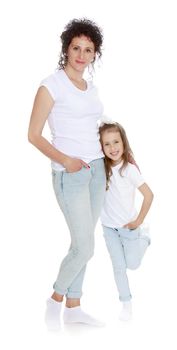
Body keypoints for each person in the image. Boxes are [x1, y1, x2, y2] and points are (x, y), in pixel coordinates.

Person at [28, 18, 106, 329]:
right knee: (85, 245)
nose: (81, 54)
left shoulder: (91, 88)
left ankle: (74, 307)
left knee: (81, 242)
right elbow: (34, 135)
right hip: (69, 173)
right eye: (76, 47)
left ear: (94, 55)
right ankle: (55, 299)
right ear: (66, 48)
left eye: (88, 50)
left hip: (98, 170)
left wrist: (115, 153)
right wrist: (67, 160)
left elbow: (90, 127)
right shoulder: (51, 85)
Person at [99, 122, 154, 321]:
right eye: (107, 144)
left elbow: (149, 195)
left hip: (129, 227)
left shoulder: (129, 169)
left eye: (116, 142)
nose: (112, 148)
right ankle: (126, 303)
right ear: (101, 147)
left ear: (123, 143)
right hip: (109, 227)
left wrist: (138, 221)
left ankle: (145, 236)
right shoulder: (101, 169)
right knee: (118, 266)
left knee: (132, 264)